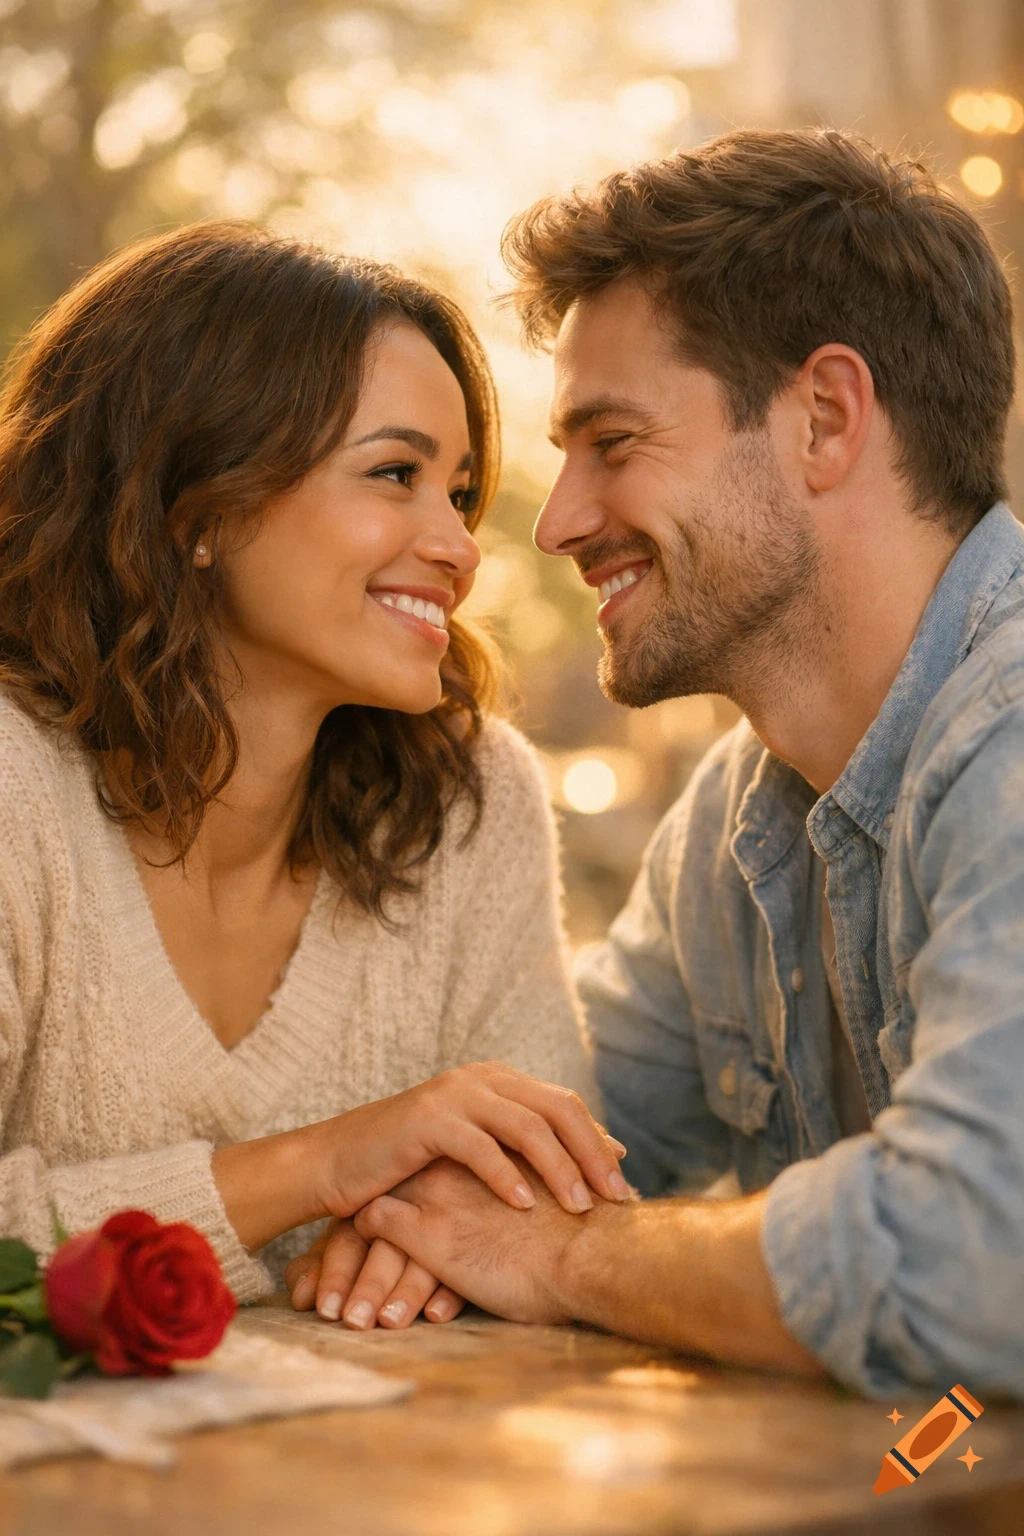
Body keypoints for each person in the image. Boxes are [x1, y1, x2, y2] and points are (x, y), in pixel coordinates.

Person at [344, 129, 1024, 1398]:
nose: (555, 525)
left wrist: (572, 1257)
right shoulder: (734, 815)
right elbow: (541, 1151)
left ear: (824, 418)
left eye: (611, 442)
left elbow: (980, 1261)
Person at [0, 222, 633, 1335]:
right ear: (198, 507)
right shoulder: (14, 794)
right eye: (395, 474)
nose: (458, 545)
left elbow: (542, 1194)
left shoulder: (469, 801)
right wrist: (326, 1166)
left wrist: (447, 1233)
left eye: (458, 490)